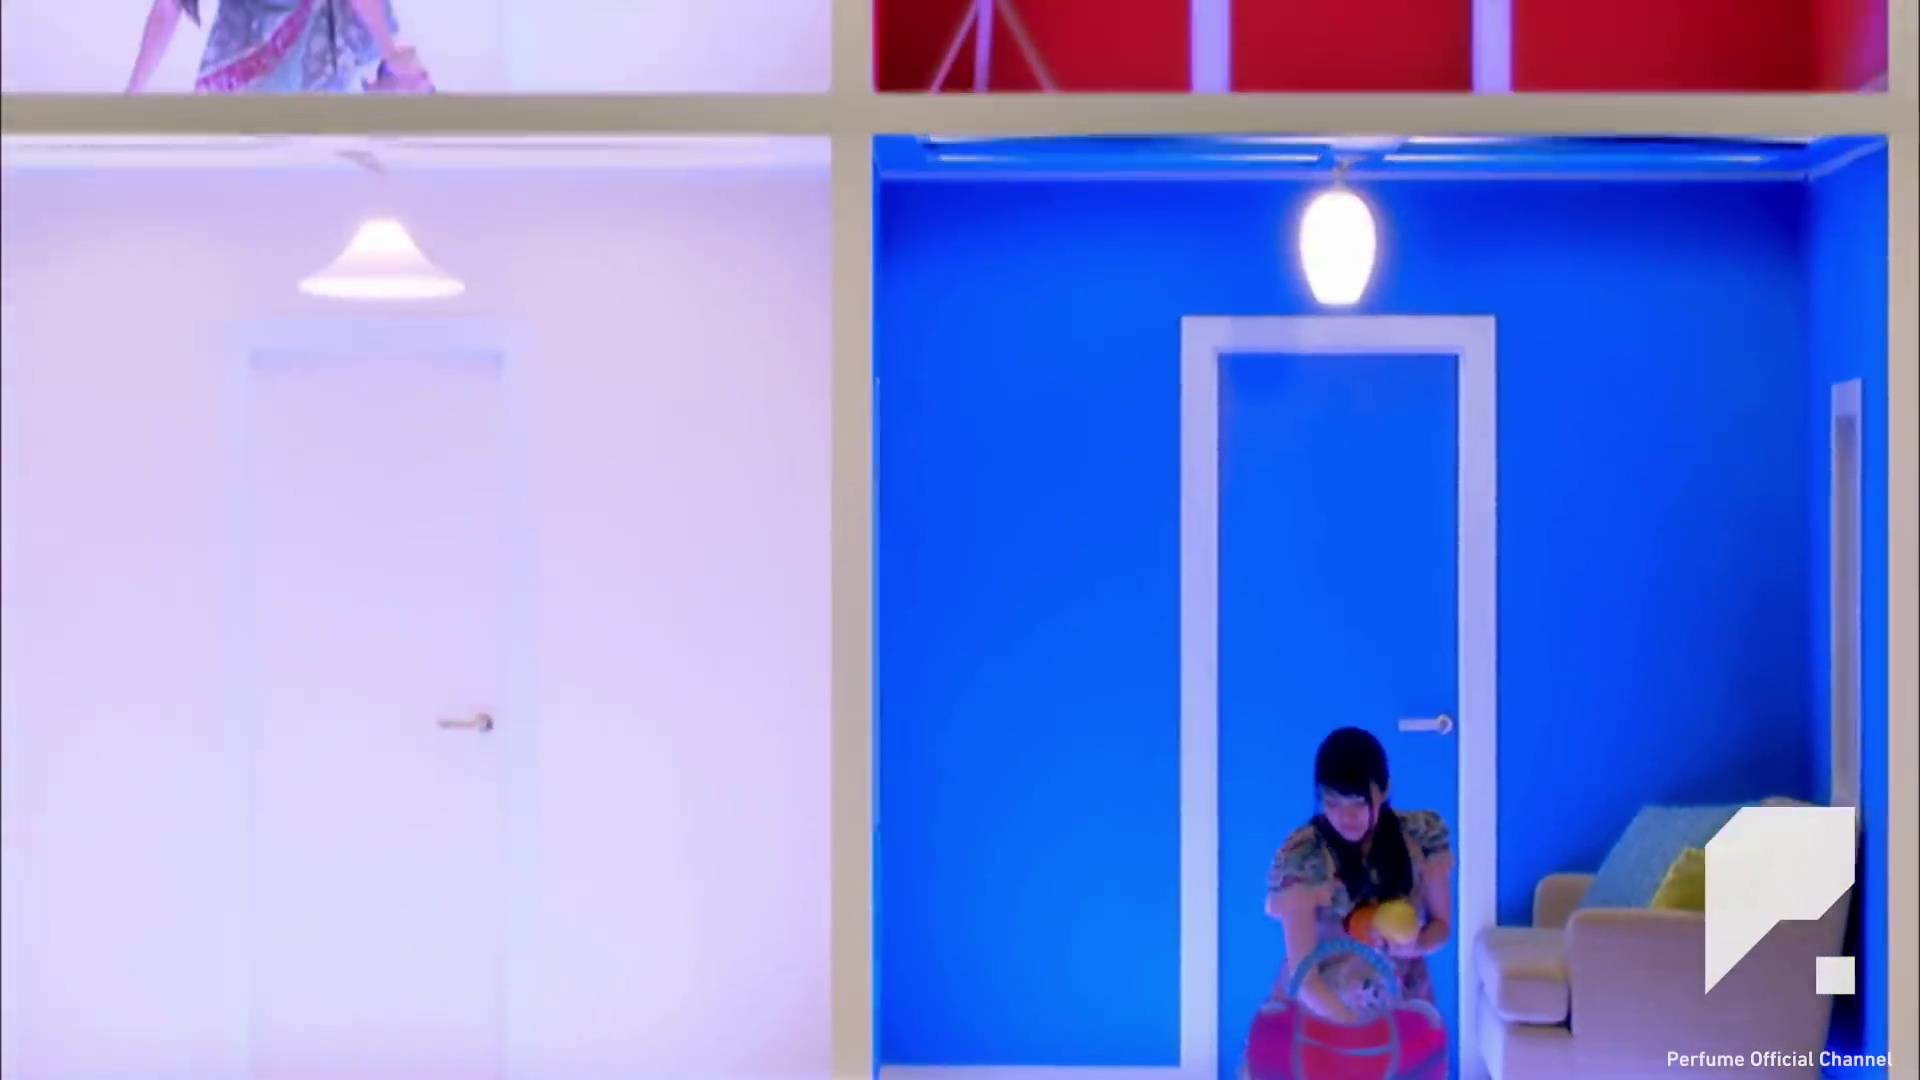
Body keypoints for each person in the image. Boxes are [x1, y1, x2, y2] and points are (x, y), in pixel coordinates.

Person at [1265, 726, 1454, 1025]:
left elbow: (1441, 926)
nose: (1346, 817)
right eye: (1332, 803)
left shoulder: (1420, 837)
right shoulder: (1304, 855)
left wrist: (1417, 945)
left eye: (1359, 803)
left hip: (1400, 1003)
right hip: (1319, 1012)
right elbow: (1304, 979)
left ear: (1384, 791)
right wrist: (1359, 1031)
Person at [125, 0, 433, 94]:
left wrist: (391, 54)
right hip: (243, 62)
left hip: (319, 53)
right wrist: (134, 90)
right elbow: (166, 9)